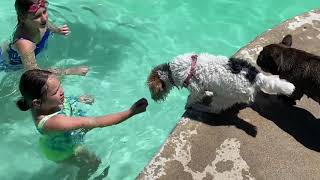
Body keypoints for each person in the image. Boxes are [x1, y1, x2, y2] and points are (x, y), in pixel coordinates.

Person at [16, 69, 148, 179]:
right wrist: (130, 112)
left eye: (60, 85)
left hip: (62, 137)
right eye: (55, 92)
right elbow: (95, 122)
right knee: (94, 163)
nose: (61, 91)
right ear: (37, 103)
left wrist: (75, 95)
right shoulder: (53, 122)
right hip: (62, 150)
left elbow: (53, 84)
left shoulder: (42, 102)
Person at [0, 0, 88, 75]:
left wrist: (58, 30)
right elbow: (33, 73)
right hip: (8, 64)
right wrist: (69, 71)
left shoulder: (39, 23)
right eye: (37, 16)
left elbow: (47, 25)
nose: (44, 18)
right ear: (23, 18)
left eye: (45, 12)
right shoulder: (25, 44)